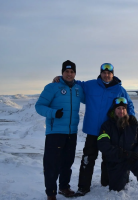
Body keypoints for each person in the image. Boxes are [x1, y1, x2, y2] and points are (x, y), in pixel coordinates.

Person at [53, 63, 137, 196]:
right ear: (101, 73)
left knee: (109, 158)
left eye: (109, 73)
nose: (107, 75)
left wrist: (130, 120)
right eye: (104, 73)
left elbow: (129, 104)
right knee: (87, 159)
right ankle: (83, 187)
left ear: (112, 74)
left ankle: (106, 182)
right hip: (92, 131)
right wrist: (61, 78)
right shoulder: (90, 85)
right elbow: (75, 82)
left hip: (110, 131)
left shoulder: (119, 89)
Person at [35, 60, 85, 200]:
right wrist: (53, 113)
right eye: (66, 71)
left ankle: (64, 187)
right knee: (52, 164)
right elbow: (39, 106)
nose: (69, 74)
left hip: (71, 132)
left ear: (75, 73)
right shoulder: (52, 87)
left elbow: (91, 98)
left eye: (72, 72)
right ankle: (51, 193)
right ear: (62, 72)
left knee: (67, 162)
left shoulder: (78, 89)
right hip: (55, 132)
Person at [97, 97, 138, 200]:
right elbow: (103, 145)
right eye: (118, 108)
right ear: (114, 110)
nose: (121, 111)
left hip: (133, 158)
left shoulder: (135, 126)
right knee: (116, 188)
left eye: (123, 108)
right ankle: (123, 175)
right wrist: (123, 154)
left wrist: (136, 153)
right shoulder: (107, 126)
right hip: (116, 160)